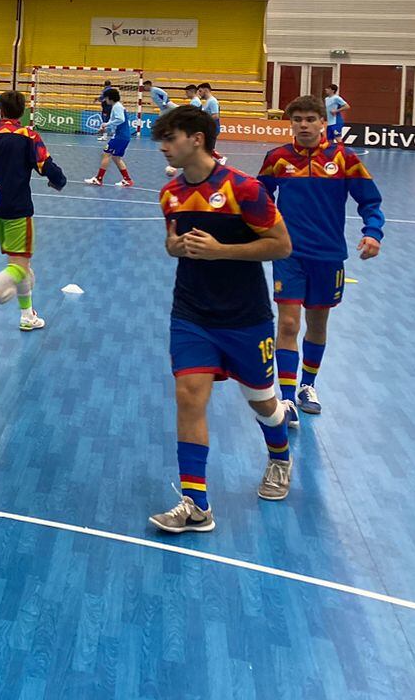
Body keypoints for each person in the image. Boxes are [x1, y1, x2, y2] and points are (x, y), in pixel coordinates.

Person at [148, 105, 293, 535]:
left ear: (197, 138)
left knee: (264, 404)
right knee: (189, 396)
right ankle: (196, 504)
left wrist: (222, 251)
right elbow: (172, 243)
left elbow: (281, 245)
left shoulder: (244, 189)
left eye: (170, 138)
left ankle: (280, 458)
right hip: (191, 312)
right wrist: (175, 249)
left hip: (245, 316)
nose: (163, 147)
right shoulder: (170, 194)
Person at [258, 95, 384, 426]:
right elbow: (259, 197)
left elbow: (370, 201)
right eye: (296, 119)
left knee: (317, 323)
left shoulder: (345, 159)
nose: (303, 124)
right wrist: (261, 229)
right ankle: (286, 398)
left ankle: (307, 386)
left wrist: (374, 232)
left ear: (322, 123)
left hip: (328, 255)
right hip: (289, 254)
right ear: (291, 123)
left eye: (310, 119)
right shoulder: (277, 159)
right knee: (287, 323)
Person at [0, 89, 67, 343]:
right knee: (19, 267)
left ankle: (27, 314)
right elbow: (45, 165)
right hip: (18, 208)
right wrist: (59, 181)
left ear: (0, 111)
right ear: (23, 111)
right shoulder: (28, 136)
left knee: (22, 266)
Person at [85, 86, 135, 187]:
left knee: (106, 154)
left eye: (106, 98)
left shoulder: (117, 107)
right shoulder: (118, 106)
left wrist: (106, 124)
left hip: (120, 136)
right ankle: (127, 179)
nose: (104, 100)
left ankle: (99, 179)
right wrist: (105, 128)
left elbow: (120, 119)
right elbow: (116, 123)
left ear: (110, 98)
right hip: (123, 136)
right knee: (116, 158)